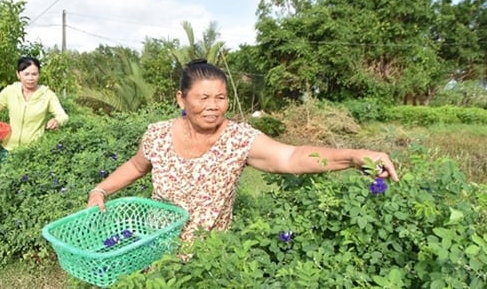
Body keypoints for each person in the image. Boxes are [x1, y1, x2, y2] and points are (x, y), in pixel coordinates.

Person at [87, 58, 400, 246]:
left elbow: (290, 158)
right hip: (154, 249)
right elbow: (136, 165)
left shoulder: (238, 139)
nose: (213, 106)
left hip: (211, 257)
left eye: (221, 97)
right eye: (204, 97)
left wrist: (355, 155)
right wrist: (100, 189)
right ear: (181, 100)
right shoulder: (158, 133)